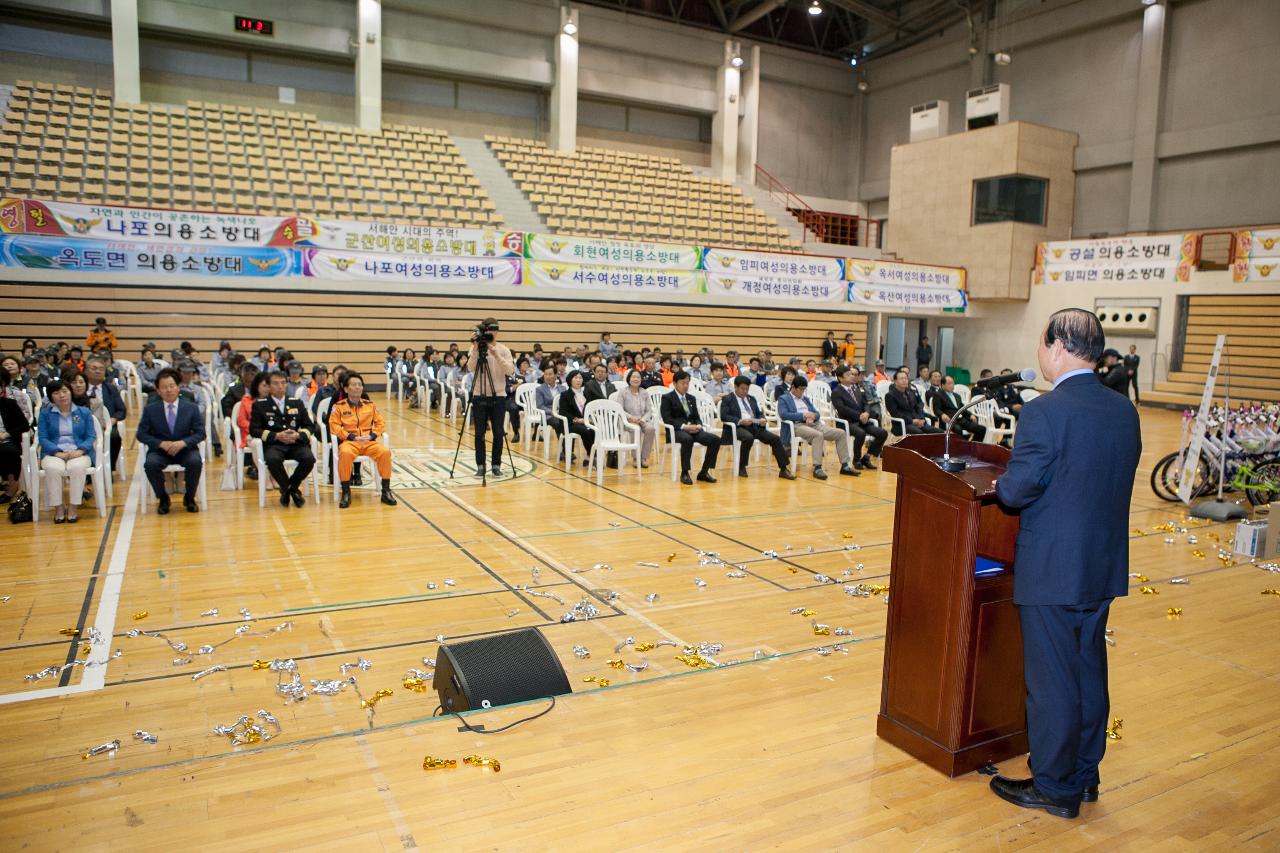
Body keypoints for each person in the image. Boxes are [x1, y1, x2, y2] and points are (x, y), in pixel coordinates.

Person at [989, 308, 1141, 821]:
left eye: (1040, 344)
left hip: (1053, 568)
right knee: (1086, 672)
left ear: (1056, 346)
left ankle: (1055, 788)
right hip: (1099, 566)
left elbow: (1015, 491)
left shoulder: (1045, 412)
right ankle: (1084, 772)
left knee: (1052, 681)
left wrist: (1000, 480)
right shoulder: (1123, 410)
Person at [136, 368, 205, 514]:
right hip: (161, 450)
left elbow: (201, 433)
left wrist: (183, 443)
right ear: (158, 390)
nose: (169, 390)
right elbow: (141, 434)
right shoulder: (150, 409)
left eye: (172, 386)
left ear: (178, 387)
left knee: (195, 462)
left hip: (185, 449)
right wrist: (160, 444)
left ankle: (190, 497)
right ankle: (162, 497)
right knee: (150, 464)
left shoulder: (191, 408)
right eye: (164, 387)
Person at [328, 372, 396, 508]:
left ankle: (386, 491)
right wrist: (351, 437)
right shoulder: (339, 407)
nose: (357, 387)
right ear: (346, 389)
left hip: (368, 442)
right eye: (354, 385)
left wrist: (372, 435)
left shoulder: (369, 405)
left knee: (385, 452)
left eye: (360, 385)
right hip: (350, 442)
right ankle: (346, 492)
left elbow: (380, 423)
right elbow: (334, 426)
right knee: (345, 454)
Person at [250, 371, 317, 508]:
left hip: (295, 443)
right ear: (268, 386)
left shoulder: (296, 403)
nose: (280, 386)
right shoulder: (260, 405)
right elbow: (254, 429)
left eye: (283, 383)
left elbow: (310, 426)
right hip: (274, 444)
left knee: (309, 459)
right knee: (273, 459)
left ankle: (288, 490)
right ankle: (293, 491)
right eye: (275, 383)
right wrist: (276, 436)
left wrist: (298, 435)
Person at [37, 379, 96, 522]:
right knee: (52, 468)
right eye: (56, 393)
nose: (62, 395)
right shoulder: (45, 413)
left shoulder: (84, 412)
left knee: (76, 467)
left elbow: (90, 436)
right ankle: (58, 507)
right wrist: (57, 452)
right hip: (54, 453)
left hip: (79, 452)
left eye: (65, 391)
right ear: (51, 397)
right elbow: (43, 437)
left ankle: (73, 506)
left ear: (71, 392)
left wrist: (80, 450)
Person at [778, 374, 856, 480]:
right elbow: (784, 415)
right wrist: (803, 415)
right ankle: (817, 468)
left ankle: (845, 466)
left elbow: (817, 413)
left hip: (814, 424)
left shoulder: (805, 399)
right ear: (793, 387)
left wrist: (813, 416)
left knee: (841, 433)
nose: (802, 392)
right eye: (800, 389)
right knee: (818, 435)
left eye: (804, 389)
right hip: (798, 425)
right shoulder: (784, 398)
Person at [466, 318, 516, 477]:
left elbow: (509, 371)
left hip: (499, 396)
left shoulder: (503, 349)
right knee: (479, 432)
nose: (492, 333)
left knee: (499, 432)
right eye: (488, 330)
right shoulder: (476, 348)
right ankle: (480, 465)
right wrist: (475, 349)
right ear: (484, 331)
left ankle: (496, 464)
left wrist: (495, 354)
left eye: (495, 330)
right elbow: (471, 368)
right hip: (479, 395)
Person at [721, 376, 793, 479]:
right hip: (737, 428)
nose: (745, 391)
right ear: (735, 387)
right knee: (748, 437)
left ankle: (783, 469)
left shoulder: (751, 398)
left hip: (754, 426)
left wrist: (762, 419)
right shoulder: (728, 399)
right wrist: (740, 421)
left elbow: (759, 413)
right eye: (742, 388)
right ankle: (742, 466)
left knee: (775, 439)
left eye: (747, 389)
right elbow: (724, 416)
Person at [660, 371, 720, 485]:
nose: (686, 386)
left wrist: (698, 425)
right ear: (675, 383)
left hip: (693, 429)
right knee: (688, 439)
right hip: (676, 431)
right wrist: (684, 427)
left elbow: (697, 417)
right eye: (683, 383)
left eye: (687, 383)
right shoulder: (667, 398)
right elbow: (667, 419)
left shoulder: (691, 398)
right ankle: (685, 472)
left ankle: (704, 472)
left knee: (715, 440)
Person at [831, 366, 887, 470]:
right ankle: (856, 459)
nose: (852, 376)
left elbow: (866, 403)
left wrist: (866, 413)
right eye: (848, 375)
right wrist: (859, 415)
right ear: (840, 378)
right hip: (847, 422)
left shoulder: (856, 388)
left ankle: (867, 457)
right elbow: (842, 409)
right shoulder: (836, 392)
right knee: (860, 433)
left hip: (862, 421)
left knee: (882, 433)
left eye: (852, 374)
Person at [82, 356, 125, 473]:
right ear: (86, 370)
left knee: (115, 437)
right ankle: (88, 470)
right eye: (94, 368)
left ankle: (107, 469)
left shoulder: (111, 389)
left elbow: (121, 410)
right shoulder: (81, 387)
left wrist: (113, 419)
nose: (98, 371)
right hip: (83, 425)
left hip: (106, 425)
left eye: (101, 369)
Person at [0, 364, 31, 504]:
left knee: (7, 451)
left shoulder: (9, 404)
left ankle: (12, 486)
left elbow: (24, 425)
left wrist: (6, 434)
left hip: (7, 440)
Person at [618, 369, 656, 468]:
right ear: (629, 379)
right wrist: (631, 417)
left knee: (650, 429)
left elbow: (649, 410)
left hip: (642, 419)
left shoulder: (644, 392)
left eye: (638, 377)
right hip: (628, 421)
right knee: (636, 429)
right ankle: (635, 458)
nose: (636, 379)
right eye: (633, 377)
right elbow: (619, 409)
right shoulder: (623, 392)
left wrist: (643, 419)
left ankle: (643, 458)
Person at [885, 370, 942, 436]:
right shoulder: (890, 395)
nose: (904, 380)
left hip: (917, 421)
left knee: (939, 432)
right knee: (920, 434)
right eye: (901, 379)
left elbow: (918, 407)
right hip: (902, 424)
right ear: (895, 381)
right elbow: (895, 413)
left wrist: (921, 418)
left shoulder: (911, 392)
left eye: (906, 378)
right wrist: (912, 421)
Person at [557, 370, 595, 467]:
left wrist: (589, 419)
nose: (578, 380)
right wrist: (576, 419)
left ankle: (588, 456)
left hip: (585, 421)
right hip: (570, 423)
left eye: (580, 378)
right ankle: (593, 455)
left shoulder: (586, 393)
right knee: (585, 430)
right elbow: (563, 412)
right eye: (576, 378)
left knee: (594, 429)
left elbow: (590, 408)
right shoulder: (565, 395)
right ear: (570, 380)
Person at [932, 375, 986, 442]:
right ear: (942, 385)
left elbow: (963, 408)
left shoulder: (957, 396)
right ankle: (960, 449)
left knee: (981, 429)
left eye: (953, 383)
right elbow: (936, 409)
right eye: (949, 384)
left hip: (961, 419)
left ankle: (973, 447)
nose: (952, 385)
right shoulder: (938, 395)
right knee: (958, 430)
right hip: (950, 420)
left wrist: (970, 415)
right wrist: (942, 414)